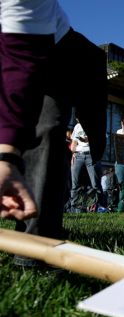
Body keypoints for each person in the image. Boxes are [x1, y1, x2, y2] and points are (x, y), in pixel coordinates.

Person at [1, 1, 107, 267]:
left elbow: (20, 69)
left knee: (43, 129)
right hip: (17, 51)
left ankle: (35, 246)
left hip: (57, 53)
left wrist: (7, 156)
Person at [69, 120, 100, 210]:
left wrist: (85, 139)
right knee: (75, 183)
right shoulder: (77, 126)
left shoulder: (95, 125)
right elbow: (74, 142)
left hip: (91, 155)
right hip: (78, 155)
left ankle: (94, 206)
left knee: (95, 183)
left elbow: (95, 140)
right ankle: (74, 207)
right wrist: (72, 155)